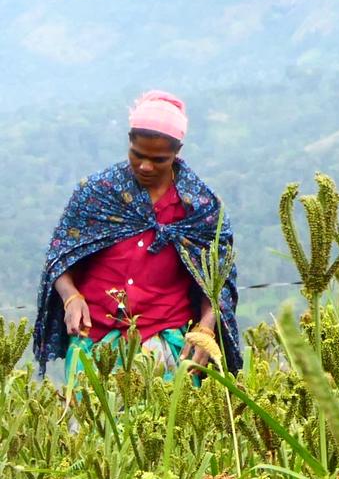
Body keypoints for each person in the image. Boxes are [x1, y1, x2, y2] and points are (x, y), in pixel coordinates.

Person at [34, 91, 240, 379]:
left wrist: (207, 327)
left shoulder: (199, 207)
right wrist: (71, 298)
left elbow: (218, 280)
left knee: (166, 424)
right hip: (95, 343)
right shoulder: (98, 193)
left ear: (177, 152)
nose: (145, 166)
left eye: (159, 159)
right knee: (94, 423)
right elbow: (60, 255)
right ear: (129, 142)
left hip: (168, 347)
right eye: (137, 155)